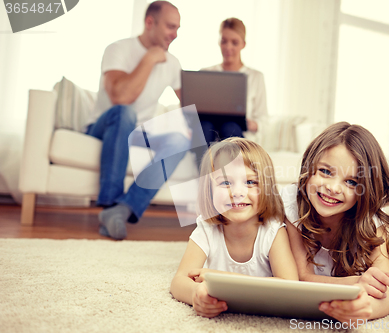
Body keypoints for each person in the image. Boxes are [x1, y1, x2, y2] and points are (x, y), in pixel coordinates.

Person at [84, 1, 190, 240]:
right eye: (170, 27)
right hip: (105, 126)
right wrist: (149, 59)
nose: (174, 35)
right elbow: (121, 97)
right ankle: (110, 205)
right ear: (150, 22)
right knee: (126, 113)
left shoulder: (172, 63)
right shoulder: (118, 49)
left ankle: (123, 209)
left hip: (139, 133)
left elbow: (189, 104)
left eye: (178, 29)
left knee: (179, 140)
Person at [281, 122, 389, 324]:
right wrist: (357, 282)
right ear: (308, 168)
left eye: (351, 182)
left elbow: (385, 293)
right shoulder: (292, 205)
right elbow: (302, 277)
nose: (333, 188)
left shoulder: (370, 221)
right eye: (326, 172)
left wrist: (362, 310)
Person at [170, 137, 298, 318]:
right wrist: (195, 294)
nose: (238, 192)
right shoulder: (207, 229)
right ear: (209, 191)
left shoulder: (273, 231)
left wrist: (222, 278)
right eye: (225, 183)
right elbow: (178, 281)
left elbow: (290, 285)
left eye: (250, 182)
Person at [195, 18, 267, 165]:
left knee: (230, 127)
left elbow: (263, 120)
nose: (228, 47)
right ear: (219, 42)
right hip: (207, 130)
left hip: (235, 131)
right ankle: (207, 181)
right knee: (205, 127)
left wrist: (250, 123)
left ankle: (230, 180)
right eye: (224, 41)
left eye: (234, 42)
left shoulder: (255, 77)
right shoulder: (206, 73)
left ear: (243, 44)